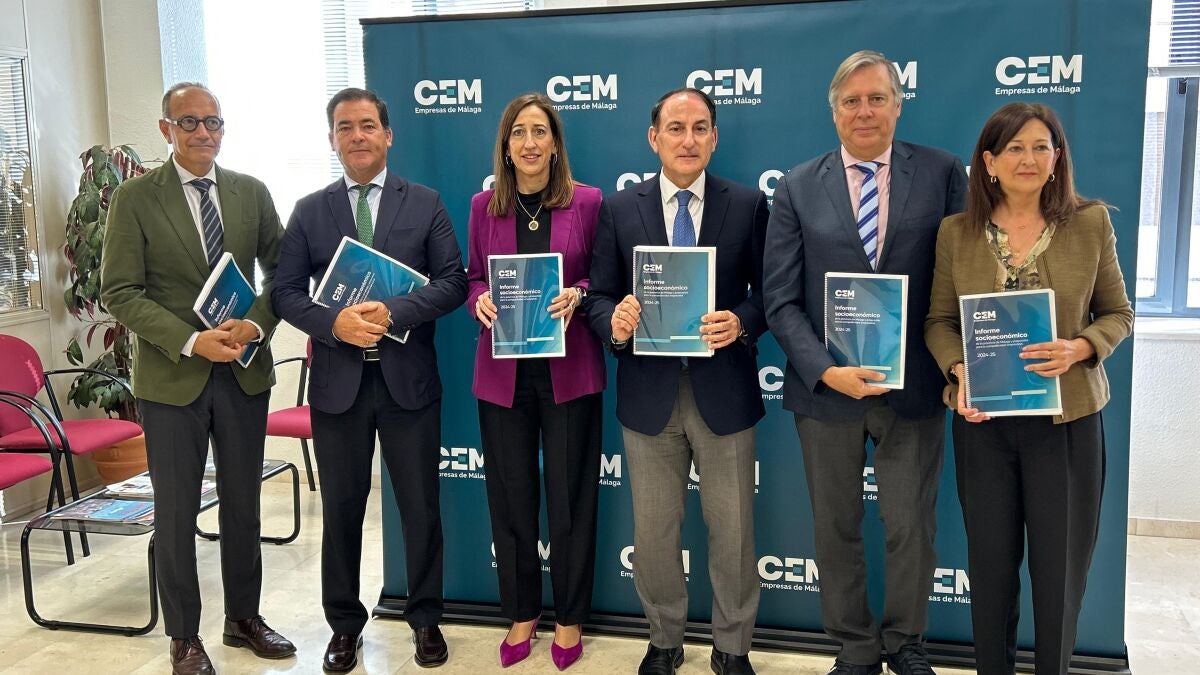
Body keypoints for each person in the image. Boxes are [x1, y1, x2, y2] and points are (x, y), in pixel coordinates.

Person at [763, 50, 967, 675]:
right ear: (834, 112)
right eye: (851, 101)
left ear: (898, 105)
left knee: (911, 525)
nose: (865, 111)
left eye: (877, 98)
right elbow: (779, 298)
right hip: (827, 390)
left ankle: (905, 643)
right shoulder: (798, 186)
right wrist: (825, 370)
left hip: (915, 387)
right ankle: (853, 647)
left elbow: (959, 280)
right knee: (836, 526)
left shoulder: (941, 173)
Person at [924, 102, 1133, 675]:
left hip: (1066, 427)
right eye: (1014, 148)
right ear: (989, 162)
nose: (1029, 158)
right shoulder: (956, 233)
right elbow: (938, 321)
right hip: (984, 425)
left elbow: (1118, 313)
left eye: (1042, 147)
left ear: (1057, 158)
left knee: (1059, 572)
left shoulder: (1090, 223)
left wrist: (1080, 347)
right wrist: (958, 371)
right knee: (991, 570)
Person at [101, 82, 295, 675]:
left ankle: (243, 619)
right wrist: (191, 340)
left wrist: (254, 326)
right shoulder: (135, 198)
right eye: (189, 122)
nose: (203, 132)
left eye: (213, 121)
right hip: (171, 381)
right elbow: (119, 291)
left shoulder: (250, 192)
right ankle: (184, 636)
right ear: (166, 129)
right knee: (177, 511)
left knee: (243, 506)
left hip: (242, 373)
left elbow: (283, 274)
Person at [271, 87, 467, 672]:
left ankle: (425, 619)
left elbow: (453, 282)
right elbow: (284, 292)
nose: (356, 135)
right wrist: (333, 324)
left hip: (409, 385)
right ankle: (344, 626)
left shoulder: (425, 202)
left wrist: (395, 312)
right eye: (344, 127)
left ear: (388, 134)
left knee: (420, 508)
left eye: (366, 125)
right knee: (342, 510)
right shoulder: (309, 209)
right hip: (339, 387)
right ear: (332, 139)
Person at [584, 87, 768, 675]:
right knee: (655, 531)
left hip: (725, 391)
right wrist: (613, 322)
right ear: (653, 137)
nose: (688, 139)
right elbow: (598, 295)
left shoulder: (747, 204)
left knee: (733, 531)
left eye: (699, 128)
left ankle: (732, 646)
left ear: (714, 137)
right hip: (649, 393)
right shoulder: (619, 208)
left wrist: (741, 321)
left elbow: (772, 293)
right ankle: (664, 638)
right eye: (675, 128)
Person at [466, 92, 605, 671]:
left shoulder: (588, 201)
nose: (529, 142)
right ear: (506, 145)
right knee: (511, 499)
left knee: (571, 500)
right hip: (503, 375)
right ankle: (522, 612)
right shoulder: (484, 206)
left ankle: (570, 618)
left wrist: (580, 293)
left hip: (569, 371)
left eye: (539, 131)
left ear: (554, 143)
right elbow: (473, 277)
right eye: (518, 132)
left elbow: (604, 276)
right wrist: (478, 300)